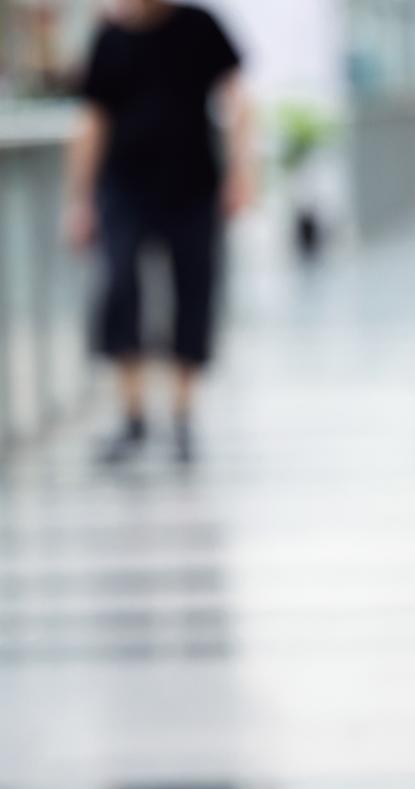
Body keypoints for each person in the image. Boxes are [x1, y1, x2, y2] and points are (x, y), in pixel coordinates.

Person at [64, 0, 252, 463]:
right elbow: (92, 121)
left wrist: (242, 173)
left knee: (194, 289)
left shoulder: (200, 26)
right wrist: (79, 200)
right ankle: (133, 416)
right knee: (119, 288)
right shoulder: (109, 38)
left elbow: (237, 99)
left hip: (192, 184)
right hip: (123, 187)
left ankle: (183, 415)